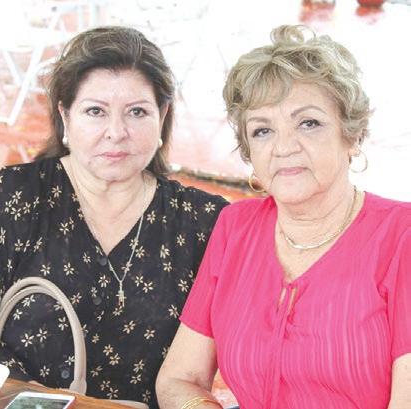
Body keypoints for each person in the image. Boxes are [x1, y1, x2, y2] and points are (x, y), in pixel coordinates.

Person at [156, 25, 411, 408]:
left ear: (352, 135)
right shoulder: (236, 227)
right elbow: (179, 379)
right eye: (263, 131)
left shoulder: (402, 236)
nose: (284, 147)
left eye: (309, 123)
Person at [0, 26, 227, 408]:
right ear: (65, 116)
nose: (117, 132)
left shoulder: (203, 222)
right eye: (95, 111)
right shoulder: (13, 199)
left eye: (137, 112)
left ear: (162, 116)